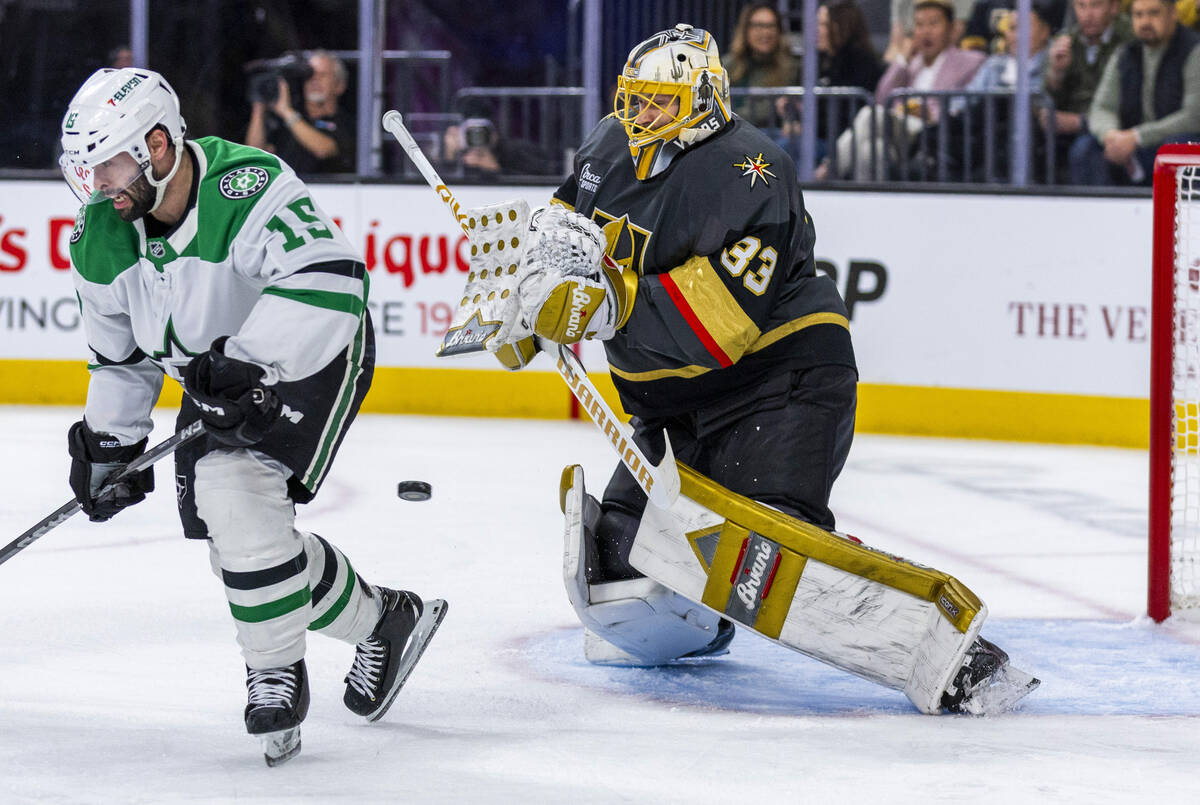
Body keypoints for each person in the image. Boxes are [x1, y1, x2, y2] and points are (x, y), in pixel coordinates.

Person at [490, 24, 1036, 715]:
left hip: (778, 387)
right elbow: (565, 230)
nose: (641, 115)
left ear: (704, 99)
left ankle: (955, 654)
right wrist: (525, 304)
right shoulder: (607, 147)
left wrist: (605, 306)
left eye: (660, 101)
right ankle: (707, 622)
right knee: (622, 561)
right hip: (670, 413)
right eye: (635, 98)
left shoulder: (753, 170)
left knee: (767, 559)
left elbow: (719, 325)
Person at [58, 67, 446, 765]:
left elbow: (332, 282)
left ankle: (274, 669)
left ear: (156, 144)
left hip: (312, 351)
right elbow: (120, 359)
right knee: (242, 544)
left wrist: (251, 360)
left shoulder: (247, 184)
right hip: (222, 374)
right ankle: (385, 620)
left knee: (235, 497)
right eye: (86, 170)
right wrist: (109, 444)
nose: (97, 185)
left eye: (109, 162)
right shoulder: (100, 235)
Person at [829, 0, 986, 180]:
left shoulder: (970, 62)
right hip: (900, 131)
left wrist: (929, 114)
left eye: (933, 24)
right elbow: (881, 97)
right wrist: (902, 60)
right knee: (872, 148)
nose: (926, 31)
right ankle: (872, 202)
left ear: (950, 28)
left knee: (872, 115)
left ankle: (827, 171)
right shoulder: (911, 65)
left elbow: (965, 107)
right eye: (919, 25)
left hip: (934, 131)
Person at [1069, 0, 1200, 184]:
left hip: (1166, 141)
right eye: (1138, 15)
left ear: (1173, 14)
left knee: (1177, 148)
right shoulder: (1125, 54)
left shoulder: (1194, 50)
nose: (1145, 21)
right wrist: (1111, 136)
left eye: (1154, 13)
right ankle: (1098, 212)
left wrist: (1137, 137)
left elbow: (1193, 117)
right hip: (1130, 147)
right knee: (1085, 149)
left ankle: (1177, 212)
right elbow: (1101, 108)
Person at [1039, 0, 1133, 181]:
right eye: (1081, 6)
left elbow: (1131, 101)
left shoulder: (1130, 40)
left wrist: (1082, 122)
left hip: (1117, 128)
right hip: (1070, 130)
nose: (1087, 15)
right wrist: (1056, 74)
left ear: (1114, 7)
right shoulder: (1066, 41)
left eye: (1095, 5)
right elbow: (1045, 103)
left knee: (1085, 150)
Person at [245, 49, 353, 176]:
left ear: (339, 85)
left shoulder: (347, 122)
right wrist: (259, 107)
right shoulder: (283, 119)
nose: (314, 80)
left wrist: (286, 111)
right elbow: (254, 154)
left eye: (322, 75)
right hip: (286, 191)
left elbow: (324, 150)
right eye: (309, 75)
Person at [726, 3, 802, 131]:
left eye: (771, 26)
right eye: (758, 26)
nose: (766, 32)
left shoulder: (792, 68)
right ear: (746, 30)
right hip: (734, 137)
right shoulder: (727, 66)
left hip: (772, 138)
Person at [440, 116, 560, 179]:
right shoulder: (458, 155)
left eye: (482, 131)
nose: (477, 137)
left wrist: (495, 170)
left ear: (493, 133)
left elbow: (538, 181)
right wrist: (450, 157)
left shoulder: (516, 152)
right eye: (469, 132)